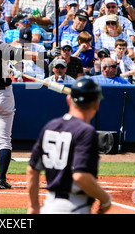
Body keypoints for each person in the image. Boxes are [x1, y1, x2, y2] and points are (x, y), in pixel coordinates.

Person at [0, 14, 61, 189]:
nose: (0, 29)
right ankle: (1, 179)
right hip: (3, 95)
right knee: (4, 140)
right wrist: (47, 53)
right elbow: (23, 54)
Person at [27, 77, 112, 214]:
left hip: (48, 206)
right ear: (96, 104)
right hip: (74, 206)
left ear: (69, 100)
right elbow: (80, 176)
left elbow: (32, 170)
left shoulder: (51, 126)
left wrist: (33, 206)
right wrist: (106, 198)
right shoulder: (86, 131)